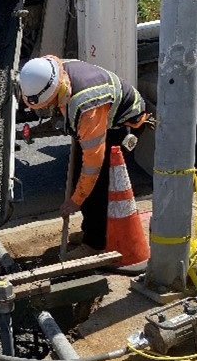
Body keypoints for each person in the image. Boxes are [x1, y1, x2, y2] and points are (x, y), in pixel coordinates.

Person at [19, 55, 151, 258]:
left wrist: (76, 200)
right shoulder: (51, 70)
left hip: (123, 124)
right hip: (101, 119)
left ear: (55, 91)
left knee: (97, 187)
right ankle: (91, 228)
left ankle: (95, 243)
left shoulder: (88, 108)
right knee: (77, 180)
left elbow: (93, 165)